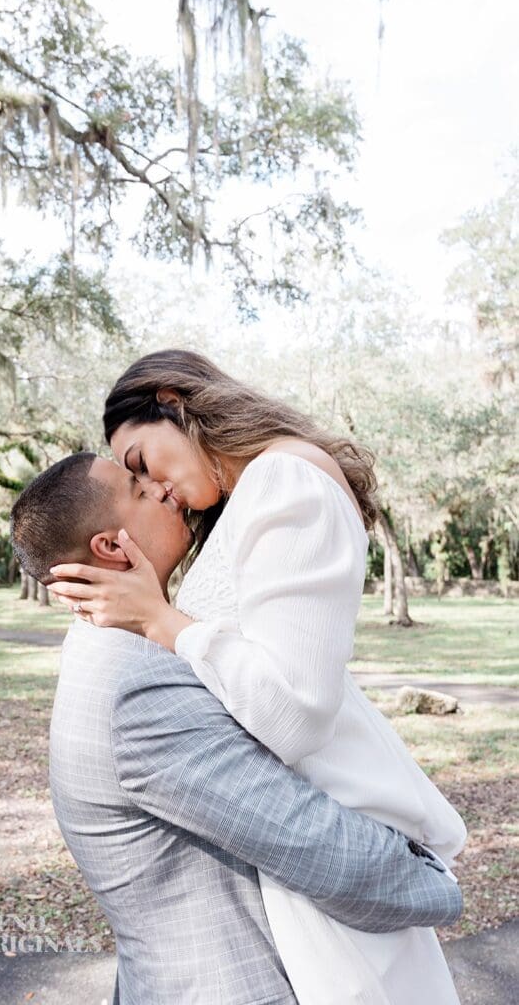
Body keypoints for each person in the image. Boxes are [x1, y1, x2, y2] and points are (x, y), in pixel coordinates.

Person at [46, 349, 467, 1005]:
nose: (156, 487)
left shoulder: (285, 481)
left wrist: (166, 622)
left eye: (141, 463)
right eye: (135, 482)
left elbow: (293, 718)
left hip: (330, 851)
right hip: (293, 874)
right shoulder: (249, 498)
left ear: (172, 400)